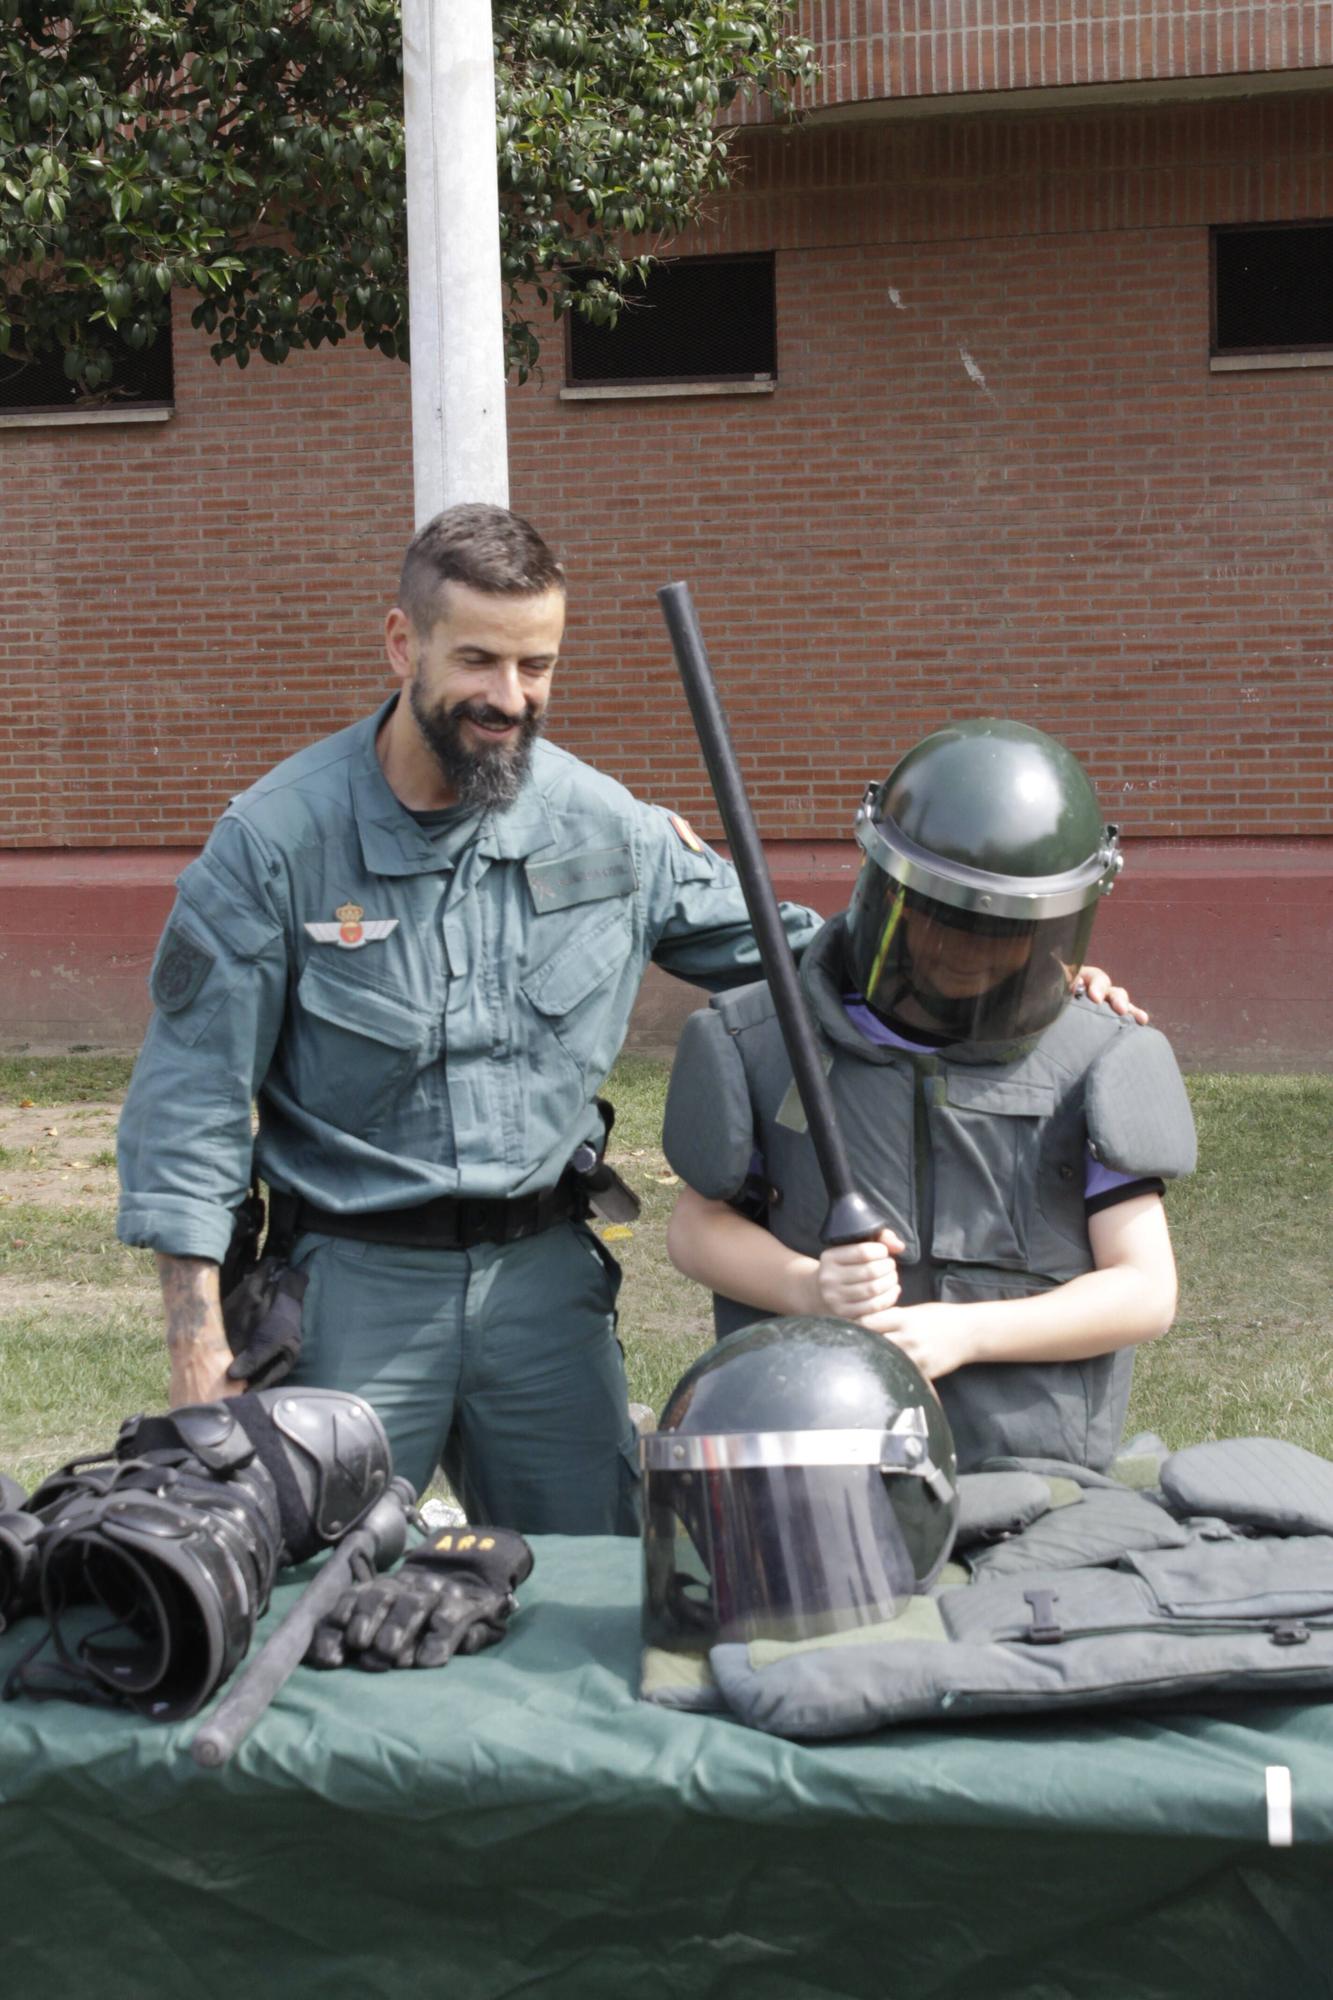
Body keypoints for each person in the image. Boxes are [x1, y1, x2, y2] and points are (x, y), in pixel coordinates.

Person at [117, 513, 1141, 1531]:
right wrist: (196, 1344)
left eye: (536, 665)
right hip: (353, 1284)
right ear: (402, 643)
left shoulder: (609, 830)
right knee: (297, 1573)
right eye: (476, 659)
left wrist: (1024, 975)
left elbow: (812, 957)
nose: (507, 699)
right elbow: (191, 1107)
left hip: (542, 1290)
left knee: (601, 1586)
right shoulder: (275, 843)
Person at [662, 718, 1196, 1473]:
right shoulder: (758, 1044)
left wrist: (966, 1332)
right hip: (811, 1448)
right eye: (939, 920)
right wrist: (808, 1286)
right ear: (885, 892)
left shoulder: (1099, 1060)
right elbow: (694, 1231)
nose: (962, 952)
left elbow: (1144, 1291)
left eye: (998, 931)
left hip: (1031, 1464)